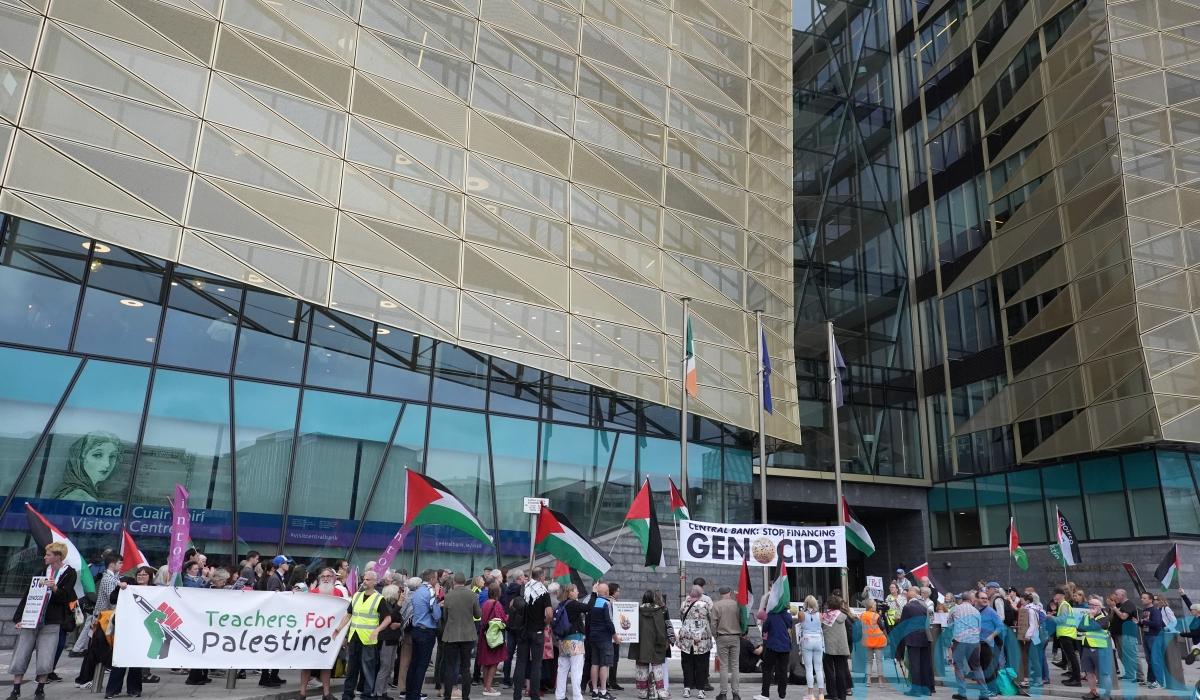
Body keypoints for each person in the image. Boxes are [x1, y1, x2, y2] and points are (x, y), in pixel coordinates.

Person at [10, 543, 78, 700]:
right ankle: (15, 689)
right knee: (21, 654)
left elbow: (66, 597)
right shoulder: (41, 571)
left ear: (58, 556)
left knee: (46, 656)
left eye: (48, 554)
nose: (45, 557)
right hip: (31, 618)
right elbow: (28, 595)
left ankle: (40, 689)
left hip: (52, 620)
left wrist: (54, 588)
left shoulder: (69, 573)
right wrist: (19, 618)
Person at [334, 569, 393, 700]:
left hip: (368, 640)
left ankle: (367, 695)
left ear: (375, 582)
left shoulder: (379, 599)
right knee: (351, 670)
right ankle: (347, 695)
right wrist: (339, 629)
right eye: (364, 579)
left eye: (368, 580)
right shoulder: (356, 596)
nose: (364, 582)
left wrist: (377, 630)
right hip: (354, 638)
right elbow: (349, 614)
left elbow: (388, 618)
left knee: (368, 670)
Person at [441, 572, 482, 700]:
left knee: (450, 667)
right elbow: (477, 615)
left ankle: (447, 696)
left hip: (451, 635)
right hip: (467, 635)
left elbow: (445, 616)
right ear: (465, 582)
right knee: (465, 668)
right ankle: (465, 696)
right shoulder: (473, 595)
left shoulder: (448, 596)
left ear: (454, 582)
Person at [513, 568, 552, 700]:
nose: (544, 578)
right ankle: (534, 695)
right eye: (544, 576)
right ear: (540, 577)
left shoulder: (524, 588)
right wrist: (545, 623)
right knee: (536, 664)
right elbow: (549, 613)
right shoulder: (543, 592)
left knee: (520, 663)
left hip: (523, 630)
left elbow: (513, 605)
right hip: (537, 631)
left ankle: (516, 695)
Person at [407, 570, 443, 700]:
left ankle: (409, 693)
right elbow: (436, 615)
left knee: (414, 663)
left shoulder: (417, 591)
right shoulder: (430, 592)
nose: (437, 581)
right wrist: (438, 606)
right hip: (426, 631)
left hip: (416, 629)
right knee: (422, 665)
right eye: (436, 578)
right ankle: (415, 694)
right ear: (432, 579)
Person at [54, 432, 121, 501]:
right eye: (98, 455)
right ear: (81, 458)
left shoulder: (93, 491)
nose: (107, 464)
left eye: (112, 456)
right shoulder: (79, 497)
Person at [630, 590, 671, 700]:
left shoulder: (637, 610)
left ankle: (643, 692)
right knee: (657, 667)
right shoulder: (658, 611)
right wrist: (663, 641)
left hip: (640, 643)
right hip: (655, 643)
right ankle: (660, 691)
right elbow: (660, 629)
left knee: (641, 666)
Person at [948, 592, 987, 700]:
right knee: (977, 667)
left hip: (959, 641)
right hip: (974, 641)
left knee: (959, 667)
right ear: (971, 600)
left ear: (962, 599)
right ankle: (984, 693)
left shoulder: (955, 609)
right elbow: (979, 627)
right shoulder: (976, 611)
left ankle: (962, 693)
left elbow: (949, 624)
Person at [678, 585, 714, 699]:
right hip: (702, 641)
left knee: (687, 664)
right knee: (701, 665)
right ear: (700, 595)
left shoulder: (684, 605)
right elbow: (711, 619)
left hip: (687, 641)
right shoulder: (705, 605)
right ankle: (701, 690)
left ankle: (687, 689)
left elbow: (681, 618)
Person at [755, 597, 793, 700]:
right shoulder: (787, 615)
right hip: (785, 646)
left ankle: (765, 694)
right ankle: (782, 694)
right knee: (783, 670)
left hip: (772, 645)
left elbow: (765, 628)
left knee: (767, 669)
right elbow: (790, 626)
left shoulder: (771, 615)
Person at [555, 584, 588, 700]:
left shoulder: (561, 604)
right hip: (575, 640)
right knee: (576, 670)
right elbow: (589, 607)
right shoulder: (574, 604)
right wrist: (594, 593)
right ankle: (577, 696)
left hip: (563, 640)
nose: (578, 592)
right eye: (576, 590)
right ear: (570, 593)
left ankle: (559, 696)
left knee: (562, 670)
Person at [586, 582, 617, 700]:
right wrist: (615, 637)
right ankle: (603, 692)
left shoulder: (594, 602)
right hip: (604, 638)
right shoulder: (606, 603)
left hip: (593, 637)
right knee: (604, 664)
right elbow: (609, 622)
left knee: (595, 663)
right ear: (606, 592)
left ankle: (594, 691)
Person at [899, 587, 933, 697]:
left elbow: (903, 624)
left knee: (915, 665)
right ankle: (926, 689)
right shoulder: (924, 607)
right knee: (924, 664)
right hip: (924, 637)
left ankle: (916, 690)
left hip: (913, 638)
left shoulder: (907, 607)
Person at [1077, 595, 1111, 699]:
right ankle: (1093, 692)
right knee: (1089, 672)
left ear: (1100, 607)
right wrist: (1089, 625)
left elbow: (1095, 627)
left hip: (1100, 648)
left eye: (1094, 605)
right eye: (1090, 604)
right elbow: (1080, 627)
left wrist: (1091, 619)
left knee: (1104, 673)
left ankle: (1106, 694)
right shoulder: (1086, 616)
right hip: (1087, 647)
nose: (1091, 607)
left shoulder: (1104, 618)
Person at [711, 585, 742, 700]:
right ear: (730, 593)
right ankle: (736, 693)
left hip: (722, 636)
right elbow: (743, 619)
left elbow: (713, 624)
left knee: (723, 666)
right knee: (735, 666)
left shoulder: (716, 605)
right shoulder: (737, 605)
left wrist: (715, 636)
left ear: (720, 594)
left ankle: (723, 693)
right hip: (735, 636)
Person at [375, 584, 405, 700]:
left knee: (390, 667)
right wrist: (399, 604)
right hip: (385, 639)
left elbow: (399, 619)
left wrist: (399, 624)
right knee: (385, 666)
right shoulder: (384, 605)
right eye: (397, 592)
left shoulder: (393, 605)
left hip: (393, 638)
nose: (399, 594)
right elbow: (390, 617)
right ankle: (379, 693)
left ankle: (384, 691)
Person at [480, 581, 509, 697]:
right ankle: (488, 687)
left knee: (486, 662)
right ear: (498, 593)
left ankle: (485, 686)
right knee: (494, 662)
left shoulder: (485, 604)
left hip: (485, 635)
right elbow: (502, 620)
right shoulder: (497, 604)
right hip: (494, 637)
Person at [795, 596, 824, 700]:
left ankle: (810, 694)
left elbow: (800, 623)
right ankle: (821, 694)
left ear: (806, 603)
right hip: (818, 640)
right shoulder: (820, 615)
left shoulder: (801, 614)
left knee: (809, 668)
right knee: (819, 668)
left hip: (807, 640)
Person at [1051, 588, 1081, 687]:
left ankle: (1077, 680)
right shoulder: (1063, 605)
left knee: (1072, 658)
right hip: (1067, 633)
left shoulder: (1064, 605)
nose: (1054, 597)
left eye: (1055, 594)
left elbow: (1062, 620)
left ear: (1061, 595)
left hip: (1066, 634)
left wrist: (1051, 617)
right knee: (1071, 658)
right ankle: (1074, 677)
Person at [1109, 589, 1139, 684]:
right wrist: (1112, 608)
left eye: (1116, 594)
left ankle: (1140, 676)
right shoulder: (1118, 605)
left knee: (1131, 655)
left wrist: (1114, 608)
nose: (1115, 596)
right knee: (1122, 655)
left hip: (1127, 634)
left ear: (1123, 595)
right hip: (1118, 633)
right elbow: (1111, 618)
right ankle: (1129, 674)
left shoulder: (1128, 604)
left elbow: (1123, 617)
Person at [1016, 592, 1044, 689]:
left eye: (1022, 600)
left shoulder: (1030, 610)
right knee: (1032, 658)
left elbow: (1032, 624)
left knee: (1032, 658)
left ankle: (1036, 679)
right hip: (1034, 636)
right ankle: (1033, 678)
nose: (1021, 602)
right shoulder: (1034, 608)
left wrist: (1027, 635)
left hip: (1031, 637)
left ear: (1027, 601)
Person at [859, 600, 886, 687]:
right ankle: (880, 681)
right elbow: (882, 627)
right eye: (874, 605)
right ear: (871, 607)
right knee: (879, 661)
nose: (876, 606)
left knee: (869, 661)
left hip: (867, 641)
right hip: (878, 640)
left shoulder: (862, 615)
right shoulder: (876, 616)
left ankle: (868, 680)